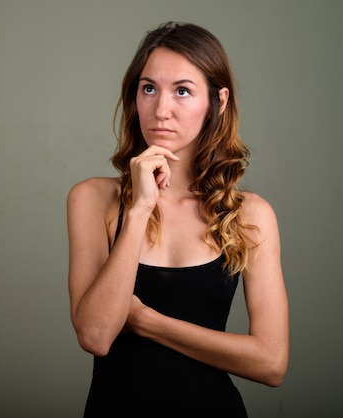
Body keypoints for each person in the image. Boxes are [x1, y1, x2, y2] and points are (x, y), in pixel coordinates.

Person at [66, 22, 289, 417]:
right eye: (148, 88)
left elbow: (271, 363)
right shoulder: (93, 199)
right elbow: (96, 335)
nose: (160, 110)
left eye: (182, 91)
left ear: (218, 103)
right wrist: (138, 212)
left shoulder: (250, 215)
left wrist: (147, 321)